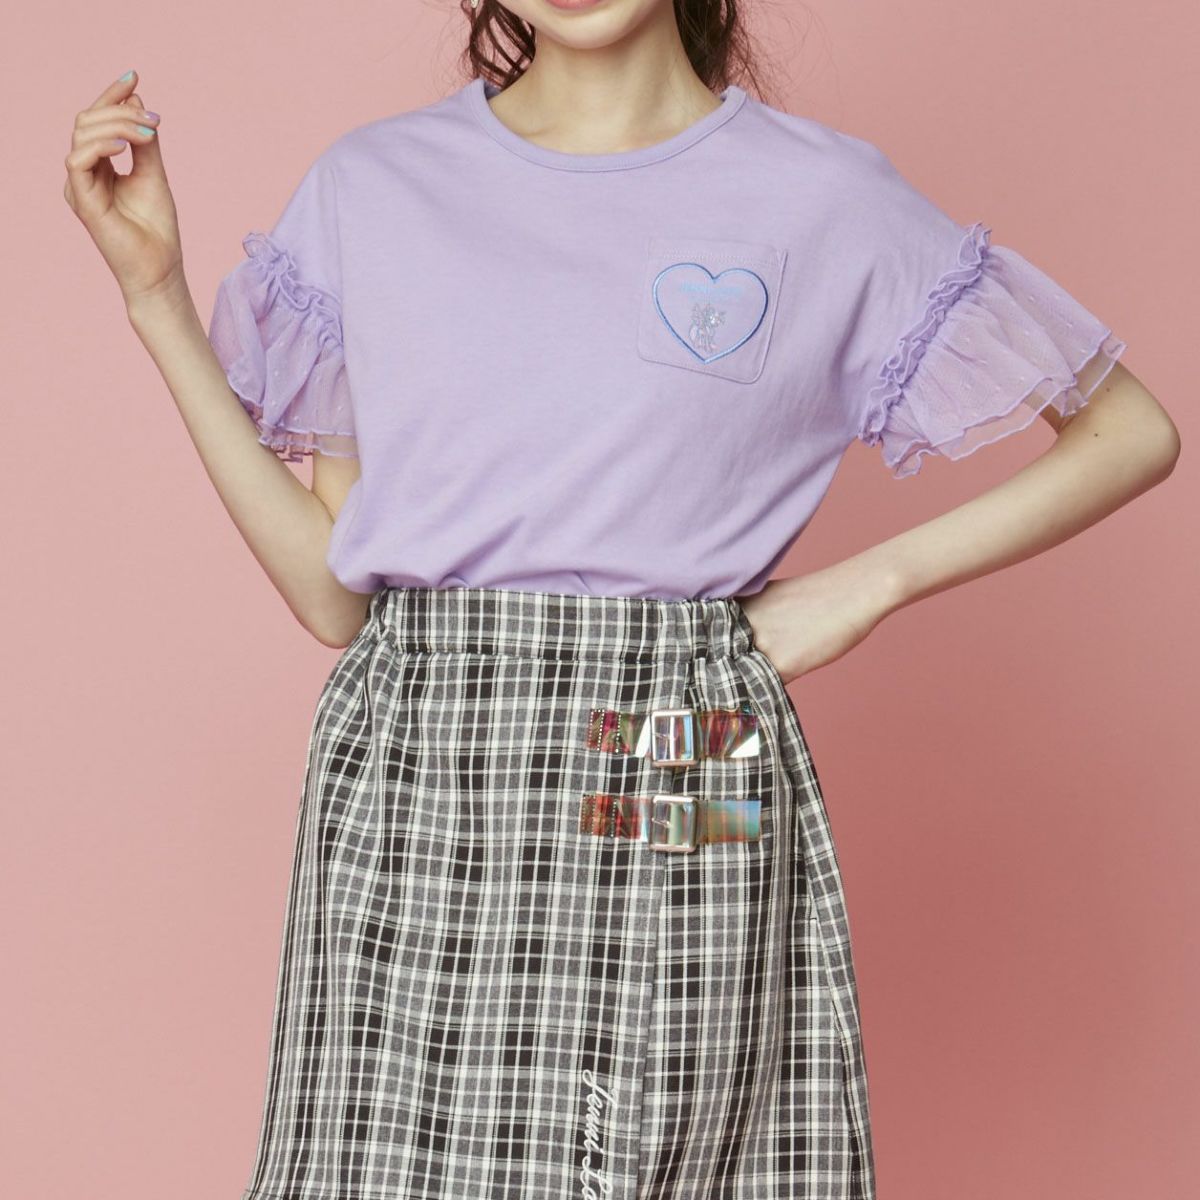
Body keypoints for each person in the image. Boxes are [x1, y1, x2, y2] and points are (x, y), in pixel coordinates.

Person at [64, 3, 1178, 1198]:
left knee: (683, 1133)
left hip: (678, 730)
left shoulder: (821, 199)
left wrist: (867, 586)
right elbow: (337, 601)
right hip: (419, 744)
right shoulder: (374, 186)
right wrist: (156, 296)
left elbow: (1130, 432)